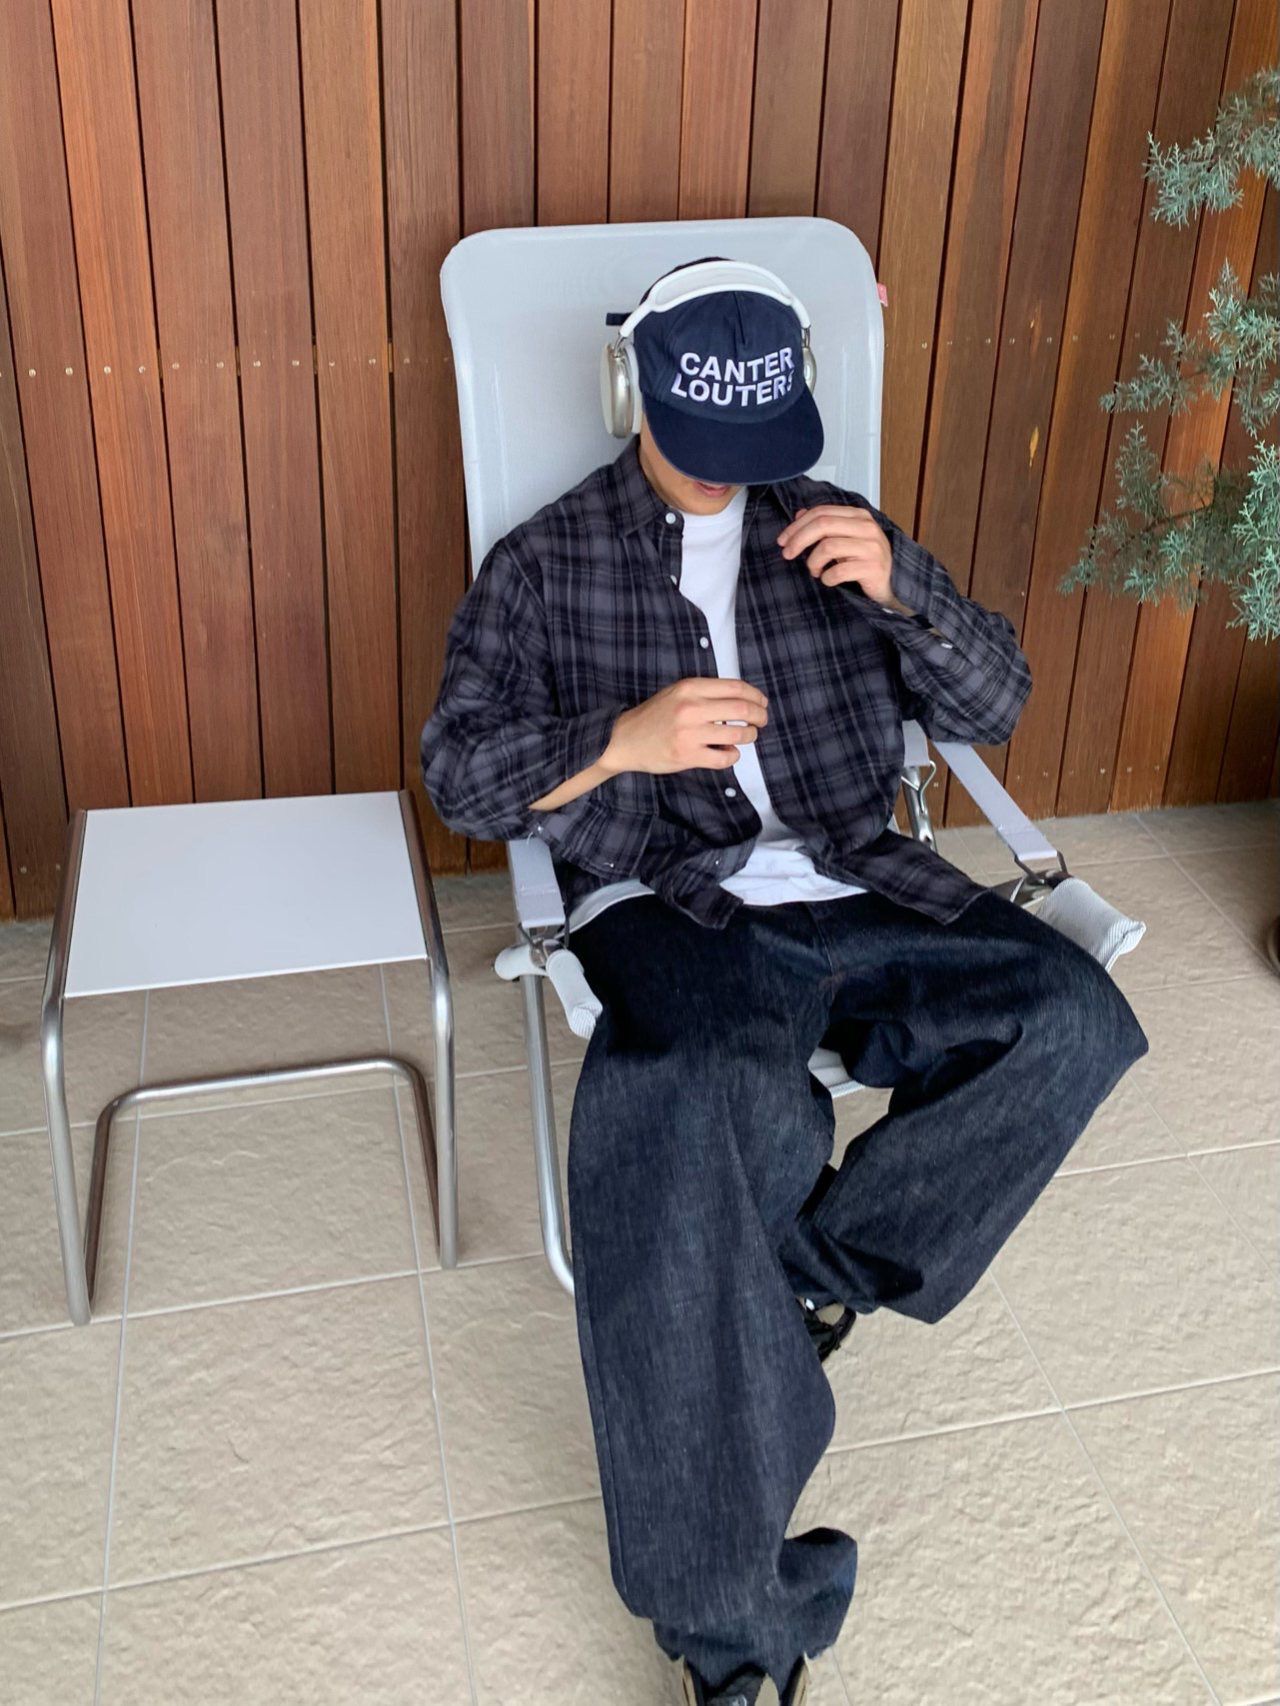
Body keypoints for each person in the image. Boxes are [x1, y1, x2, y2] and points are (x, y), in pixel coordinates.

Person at [420, 257, 1149, 1706]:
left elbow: (998, 700)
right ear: (636, 396)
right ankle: (735, 1637)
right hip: (669, 898)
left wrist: (904, 592)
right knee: (694, 1098)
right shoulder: (544, 563)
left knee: (1073, 1020)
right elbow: (458, 772)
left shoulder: (834, 528)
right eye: (705, 442)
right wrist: (623, 739)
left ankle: (789, 1282)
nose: (732, 475)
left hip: (859, 877)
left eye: (757, 445)